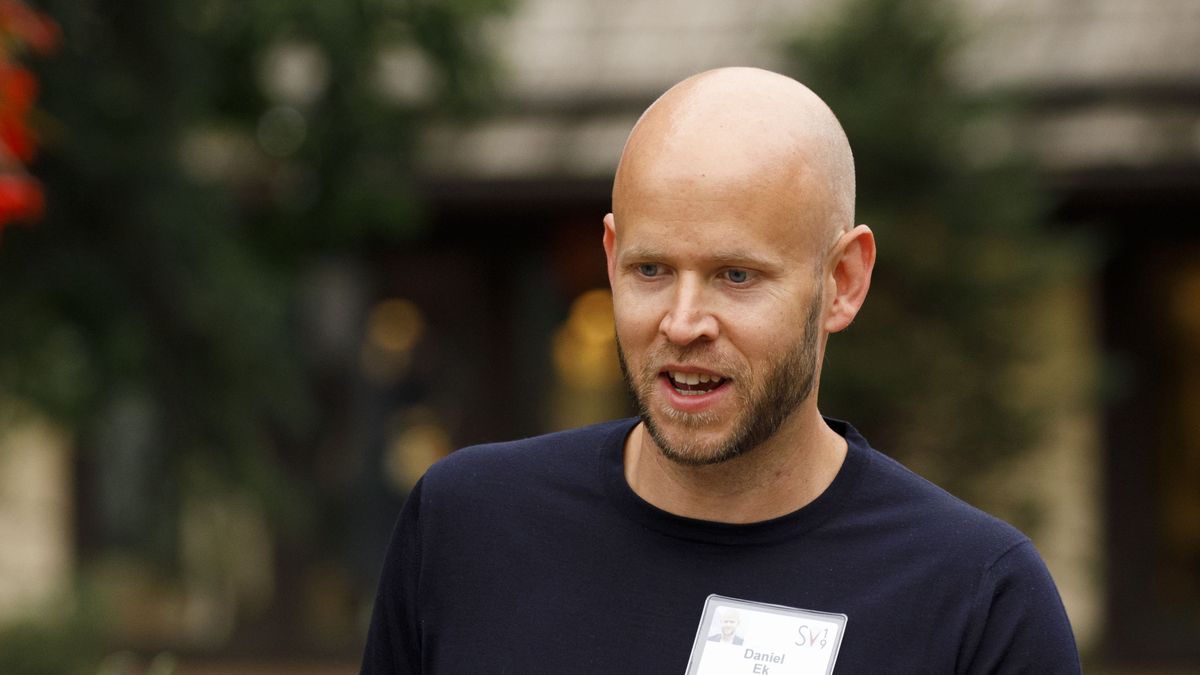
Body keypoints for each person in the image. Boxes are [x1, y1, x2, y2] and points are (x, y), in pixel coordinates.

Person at [361, 67, 1081, 673]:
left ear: (844, 280)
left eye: (735, 275)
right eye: (650, 269)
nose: (682, 322)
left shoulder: (976, 600)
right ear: (610, 259)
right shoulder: (465, 527)